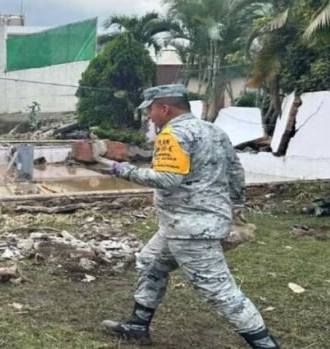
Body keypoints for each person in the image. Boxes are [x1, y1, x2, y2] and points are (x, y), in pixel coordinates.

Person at [102, 84, 280, 348]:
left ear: (165, 108)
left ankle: (266, 345)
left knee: (220, 290)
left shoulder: (172, 134)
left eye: (151, 110)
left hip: (189, 230)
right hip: (187, 224)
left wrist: (121, 169)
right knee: (150, 263)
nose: (149, 116)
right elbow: (236, 172)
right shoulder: (215, 131)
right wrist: (236, 208)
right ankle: (138, 325)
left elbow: (167, 179)